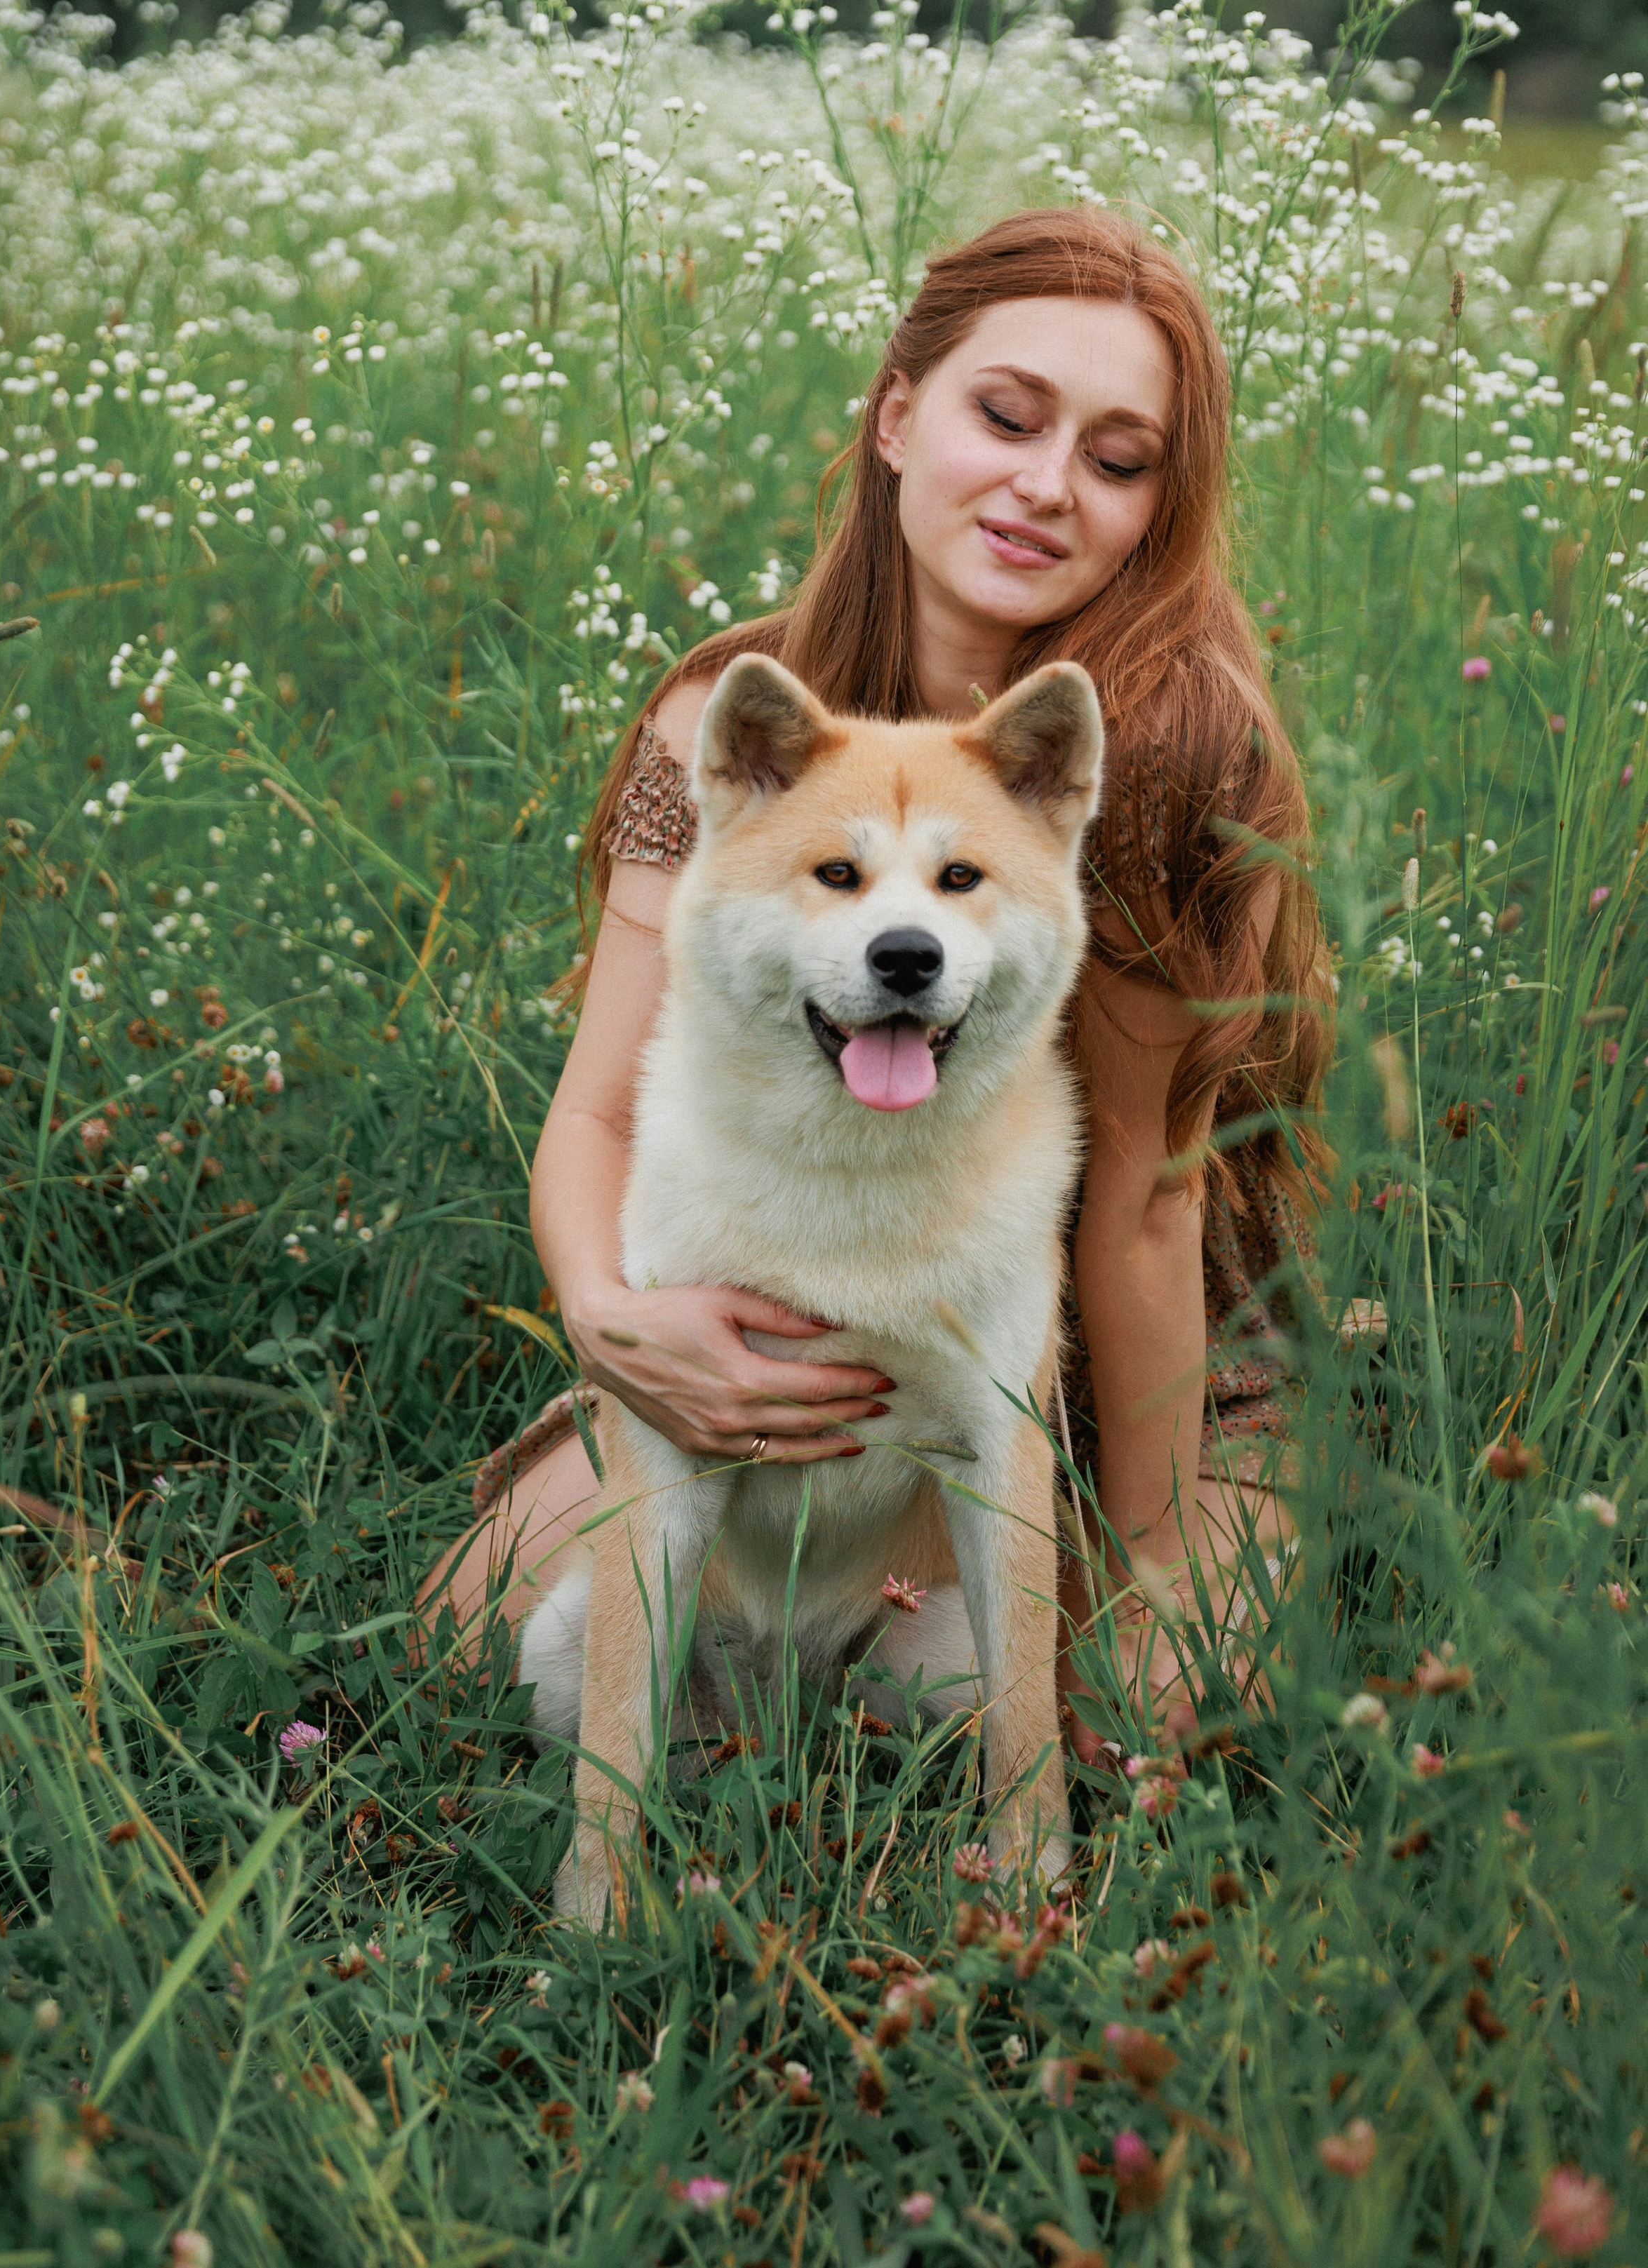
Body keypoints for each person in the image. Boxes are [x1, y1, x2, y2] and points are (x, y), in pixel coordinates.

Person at [418, 205, 1332, 1750]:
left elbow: (1144, 1199)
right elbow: (598, 1116)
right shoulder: (725, 708)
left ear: (1153, 508)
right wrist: (614, 1326)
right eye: (1005, 414)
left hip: (1098, 1338)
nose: (1046, 486)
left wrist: (1160, 1562)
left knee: (1123, 1710)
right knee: (473, 1634)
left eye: (1116, 462)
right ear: (897, 415)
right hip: (788, 1302)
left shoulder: (1164, 742)